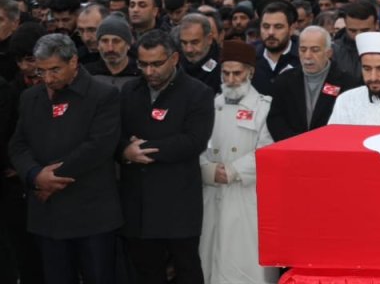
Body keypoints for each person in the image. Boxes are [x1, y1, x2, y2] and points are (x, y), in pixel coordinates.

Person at [8, 33, 122, 284]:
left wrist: (51, 179)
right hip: (47, 215)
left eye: (55, 70)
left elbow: (99, 147)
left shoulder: (103, 96)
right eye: (41, 71)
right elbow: (18, 145)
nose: (48, 78)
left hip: (91, 215)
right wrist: (35, 176)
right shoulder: (30, 98)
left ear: (73, 62)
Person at [118, 29, 216, 284]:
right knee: (145, 272)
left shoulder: (198, 93)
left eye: (156, 64)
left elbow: (193, 141)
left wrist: (143, 148)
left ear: (174, 59)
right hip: (137, 204)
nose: (149, 72)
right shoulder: (129, 91)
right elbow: (113, 135)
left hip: (178, 206)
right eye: (143, 64)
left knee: (187, 270)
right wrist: (124, 152)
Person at [198, 39, 276, 284]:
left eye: (237, 73)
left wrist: (233, 171)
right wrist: (206, 170)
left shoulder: (264, 107)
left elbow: (269, 150)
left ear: (250, 72)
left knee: (243, 263)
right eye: (226, 73)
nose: (231, 79)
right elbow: (195, 144)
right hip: (212, 195)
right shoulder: (208, 105)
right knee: (209, 259)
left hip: (246, 196)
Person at [267, 26, 359, 141]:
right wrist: (296, 143)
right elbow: (275, 118)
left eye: (315, 50)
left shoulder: (348, 83)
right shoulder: (284, 80)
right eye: (303, 49)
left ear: (329, 53)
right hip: (292, 150)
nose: (307, 56)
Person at [86, 13, 140, 90]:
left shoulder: (141, 74)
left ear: (128, 45)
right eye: (104, 41)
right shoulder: (87, 74)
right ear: (98, 45)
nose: (110, 48)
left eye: (116, 41)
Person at [177, 13, 222, 94]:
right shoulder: (174, 64)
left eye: (195, 42)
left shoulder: (225, 64)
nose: (188, 49)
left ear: (209, 39)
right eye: (184, 43)